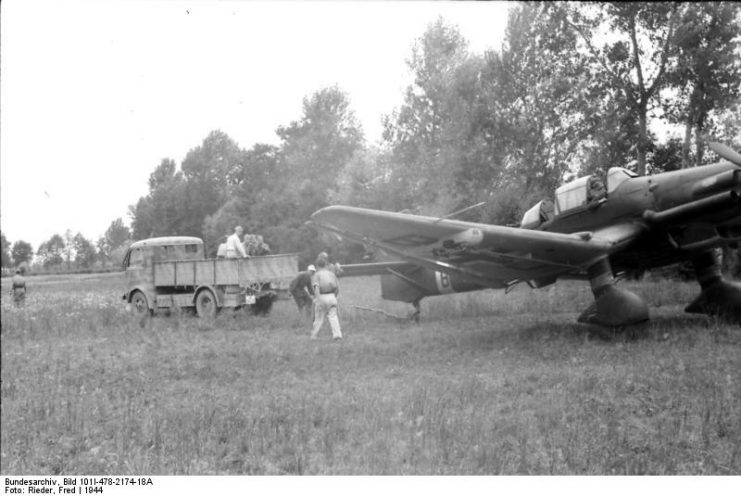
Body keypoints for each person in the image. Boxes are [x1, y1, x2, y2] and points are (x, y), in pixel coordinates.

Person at [311, 258, 342, 341]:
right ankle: (337, 335)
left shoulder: (317, 275)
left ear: (317, 266)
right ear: (326, 265)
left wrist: (318, 300)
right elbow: (337, 288)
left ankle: (314, 335)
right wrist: (334, 297)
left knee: (319, 318)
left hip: (321, 296)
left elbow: (316, 287)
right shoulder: (331, 274)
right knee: (333, 316)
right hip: (332, 296)